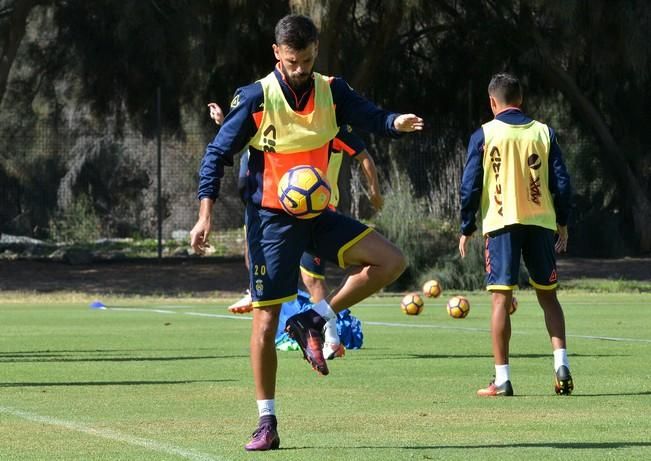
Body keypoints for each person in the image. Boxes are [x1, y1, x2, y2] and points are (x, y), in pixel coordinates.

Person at [191, 14, 423, 451]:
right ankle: (266, 421)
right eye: (293, 61)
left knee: (391, 261)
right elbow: (216, 154)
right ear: (277, 54)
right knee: (264, 320)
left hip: (318, 215)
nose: (300, 69)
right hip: (271, 222)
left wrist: (394, 123)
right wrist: (204, 215)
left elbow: (370, 115)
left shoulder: (332, 91)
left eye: (308, 59)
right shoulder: (257, 98)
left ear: (316, 51)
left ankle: (315, 318)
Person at [458, 72, 574, 397]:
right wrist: (562, 221)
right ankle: (561, 365)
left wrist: (466, 226)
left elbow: (470, 186)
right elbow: (562, 183)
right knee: (548, 297)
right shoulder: (543, 132)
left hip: (501, 225)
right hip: (540, 224)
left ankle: (502, 378)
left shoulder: (484, 134)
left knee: (501, 299)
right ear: (520, 101)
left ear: (493, 102)